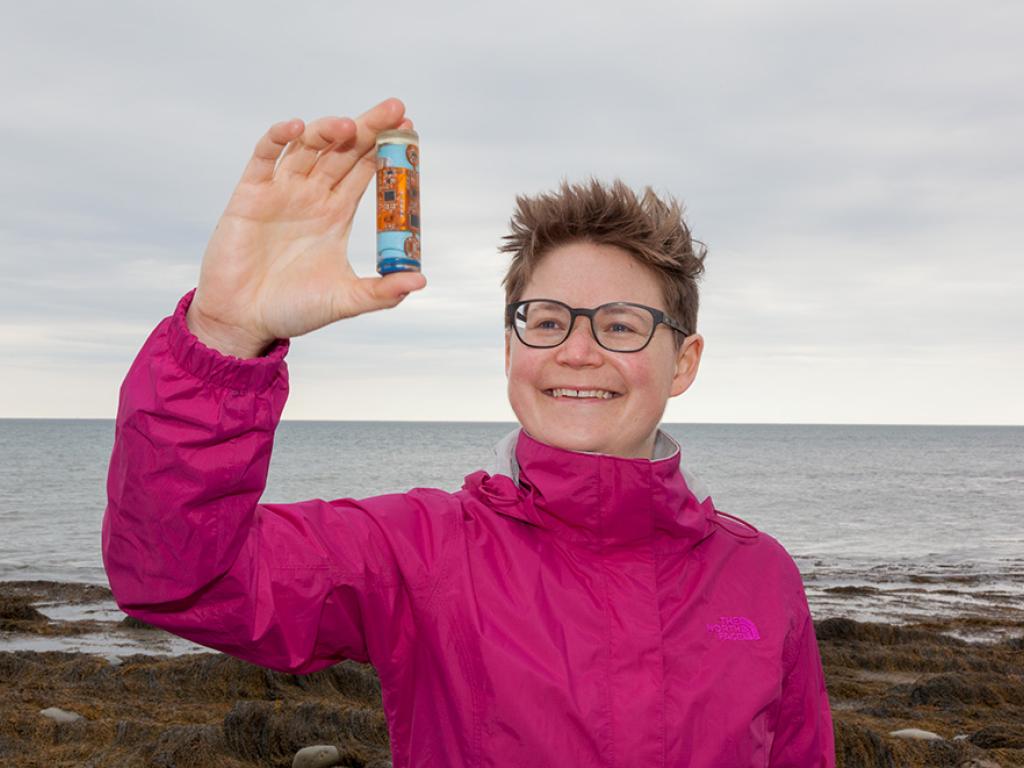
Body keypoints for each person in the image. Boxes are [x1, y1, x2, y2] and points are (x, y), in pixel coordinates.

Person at [103, 97, 835, 767]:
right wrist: (224, 336)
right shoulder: (421, 553)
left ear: (683, 361)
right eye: (546, 321)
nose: (577, 351)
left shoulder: (761, 577)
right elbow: (182, 579)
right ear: (509, 350)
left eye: (620, 324)